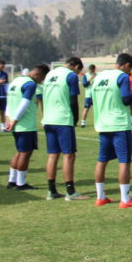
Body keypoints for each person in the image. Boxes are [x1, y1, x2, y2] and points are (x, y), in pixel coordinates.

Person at [91, 53, 132, 208]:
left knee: (102, 160)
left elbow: (91, 100)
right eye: (130, 69)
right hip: (119, 125)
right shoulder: (122, 77)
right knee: (124, 161)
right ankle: (125, 199)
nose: (130, 72)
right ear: (127, 65)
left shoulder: (99, 77)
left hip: (102, 124)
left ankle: (100, 197)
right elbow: (126, 100)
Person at [42, 56, 88, 201]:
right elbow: (73, 100)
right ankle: (70, 191)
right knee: (69, 155)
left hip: (48, 119)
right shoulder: (71, 75)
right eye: (79, 70)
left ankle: (51, 190)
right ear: (75, 66)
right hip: (63, 119)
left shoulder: (50, 74)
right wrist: (75, 119)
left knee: (53, 155)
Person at [5, 63, 50, 190]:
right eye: (42, 78)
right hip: (25, 125)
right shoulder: (30, 84)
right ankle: (21, 183)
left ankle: (12, 180)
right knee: (26, 153)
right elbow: (24, 104)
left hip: (15, 123)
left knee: (19, 152)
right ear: (38, 74)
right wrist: (14, 120)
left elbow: (9, 102)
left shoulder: (16, 80)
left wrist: (9, 118)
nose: (41, 81)